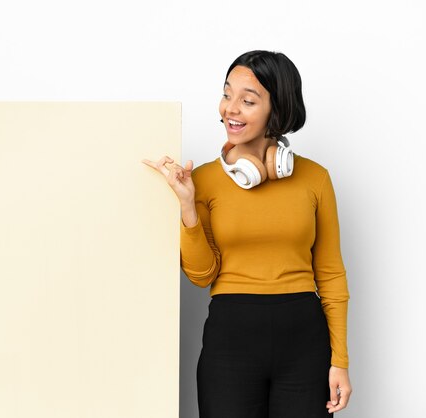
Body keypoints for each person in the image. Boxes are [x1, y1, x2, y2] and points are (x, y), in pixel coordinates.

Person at [142, 50, 352, 417]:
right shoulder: (203, 179)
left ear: (278, 108)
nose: (230, 109)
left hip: (304, 340)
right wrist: (189, 206)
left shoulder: (315, 178)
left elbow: (331, 274)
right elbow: (200, 275)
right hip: (230, 340)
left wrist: (340, 361)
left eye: (248, 100)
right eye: (227, 95)